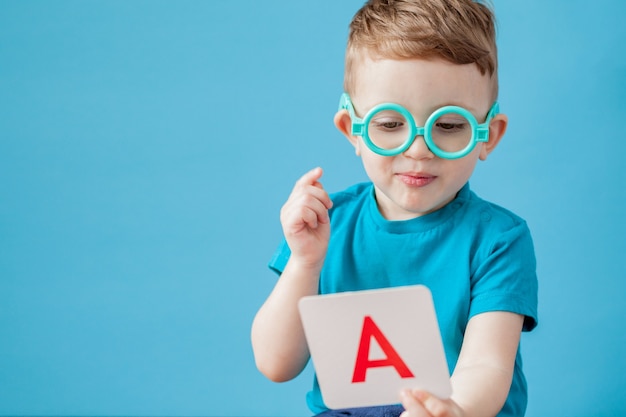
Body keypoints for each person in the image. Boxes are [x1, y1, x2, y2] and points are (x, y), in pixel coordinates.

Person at [251, 0, 538, 416]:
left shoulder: (499, 240)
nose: (418, 150)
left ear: (487, 136)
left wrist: (452, 410)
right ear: (353, 130)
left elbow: (486, 364)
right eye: (390, 125)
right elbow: (276, 363)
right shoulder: (328, 226)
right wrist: (304, 264)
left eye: (449, 125)